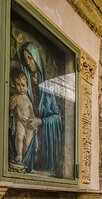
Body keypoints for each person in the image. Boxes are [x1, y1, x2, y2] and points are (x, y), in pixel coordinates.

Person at [17, 42, 62, 175]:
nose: (28, 62)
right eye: (26, 59)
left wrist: (41, 121)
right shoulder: (24, 83)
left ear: (36, 57)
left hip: (43, 138)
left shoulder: (47, 87)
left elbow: (57, 116)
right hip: (27, 132)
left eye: (30, 58)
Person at [9, 70, 36, 163]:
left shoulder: (28, 99)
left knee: (27, 142)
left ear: (27, 87)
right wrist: (12, 103)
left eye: (23, 85)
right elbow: (11, 107)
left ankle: (24, 157)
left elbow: (31, 111)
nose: (21, 88)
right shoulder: (16, 97)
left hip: (28, 123)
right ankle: (19, 154)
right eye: (18, 85)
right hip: (20, 121)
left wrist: (33, 121)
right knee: (19, 137)